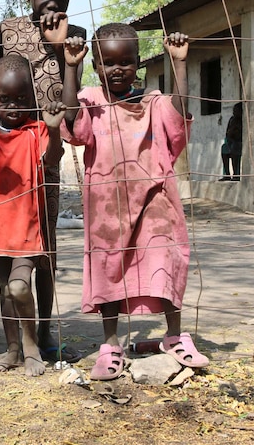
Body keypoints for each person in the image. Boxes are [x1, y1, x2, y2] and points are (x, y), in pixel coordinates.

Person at [61, 23, 209, 381]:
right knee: (110, 269)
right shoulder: (90, 103)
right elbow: (71, 124)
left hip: (155, 203)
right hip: (107, 209)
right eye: (108, 62)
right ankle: (111, 344)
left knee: (167, 258)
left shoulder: (153, 103)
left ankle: (174, 335)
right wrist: (70, 67)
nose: (118, 69)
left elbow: (179, 115)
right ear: (96, 65)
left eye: (126, 61)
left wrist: (179, 64)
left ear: (139, 63)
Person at [0, 0, 86, 364]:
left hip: (46, 157)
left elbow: (69, 109)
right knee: (4, 246)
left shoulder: (75, 36)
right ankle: (14, 341)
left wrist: (61, 49)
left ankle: (45, 333)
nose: (52, 4)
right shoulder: (7, 29)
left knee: (45, 250)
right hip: (6, 157)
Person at [0, 55, 66, 377]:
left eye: (21, 98)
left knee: (20, 287)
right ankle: (12, 349)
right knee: (5, 289)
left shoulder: (36, 130)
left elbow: (52, 159)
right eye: (3, 99)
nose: (12, 106)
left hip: (28, 226)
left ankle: (31, 345)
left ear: (33, 98)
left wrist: (54, 130)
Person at [220, 102, 243, 181]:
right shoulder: (232, 119)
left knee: (234, 149)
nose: (234, 112)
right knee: (224, 148)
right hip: (231, 141)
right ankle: (227, 174)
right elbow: (227, 132)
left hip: (239, 142)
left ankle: (236, 175)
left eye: (236, 110)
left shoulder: (242, 120)